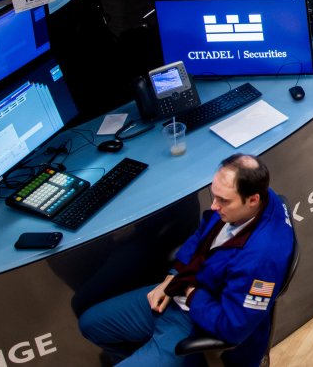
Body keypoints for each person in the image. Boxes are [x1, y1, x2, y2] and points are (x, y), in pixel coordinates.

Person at [78, 154, 295, 367]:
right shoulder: (249, 199)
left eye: (223, 200)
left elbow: (232, 328)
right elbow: (201, 235)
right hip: (180, 290)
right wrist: (172, 278)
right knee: (90, 324)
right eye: (214, 195)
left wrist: (191, 293)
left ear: (253, 200)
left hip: (197, 321)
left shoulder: (262, 259)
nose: (214, 206)